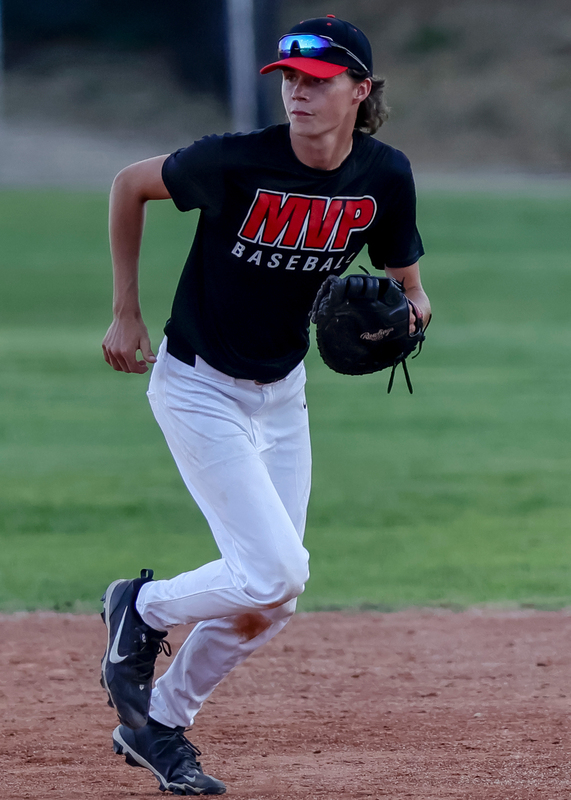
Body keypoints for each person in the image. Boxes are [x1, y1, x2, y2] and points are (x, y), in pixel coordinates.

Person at [100, 14, 431, 796]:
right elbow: (129, 184)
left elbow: (412, 290)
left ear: (360, 90)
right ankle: (141, 607)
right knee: (273, 568)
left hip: (282, 394)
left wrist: (407, 319)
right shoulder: (234, 162)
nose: (296, 93)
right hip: (198, 383)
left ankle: (157, 724)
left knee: (274, 595)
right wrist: (125, 309)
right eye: (288, 79)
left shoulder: (383, 176)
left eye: (315, 82)